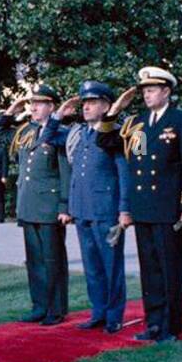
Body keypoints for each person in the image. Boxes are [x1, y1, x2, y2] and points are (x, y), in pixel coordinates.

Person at [100, 66, 182, 344]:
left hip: (169, 208)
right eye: (144, 91)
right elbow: (106, 141)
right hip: (144, 207)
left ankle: (170, 327)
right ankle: (154, 324)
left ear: (166, 91)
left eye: (152, 90)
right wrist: (113, 113)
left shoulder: (181, 120)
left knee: (169, 268)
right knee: (150, 271)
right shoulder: (139, 123)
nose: (146, 95)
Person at [65, 80, 130, 333]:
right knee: (92, 267)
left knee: (111, 266)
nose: (87, 107)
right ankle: (98, 312)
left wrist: (124, 209)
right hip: (82, 210)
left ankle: (114, 316)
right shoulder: (80, 133)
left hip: (106, 209)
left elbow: (123, 173)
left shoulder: (115, 134)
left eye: (92, 103)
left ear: (106, 105)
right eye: (85, 103)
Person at [7, 84, 70, 325]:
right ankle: (39, 306)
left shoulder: (60, 133)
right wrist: (9, 112)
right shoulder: (26, 132)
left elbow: (65, 172)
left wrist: (64, 206)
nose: (33, 107)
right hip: (29, 204)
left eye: (39, 103)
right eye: (32, 103)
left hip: (50, 205)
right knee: (34, 259)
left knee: (52, 259)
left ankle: (56, 309)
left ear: (52, 107)